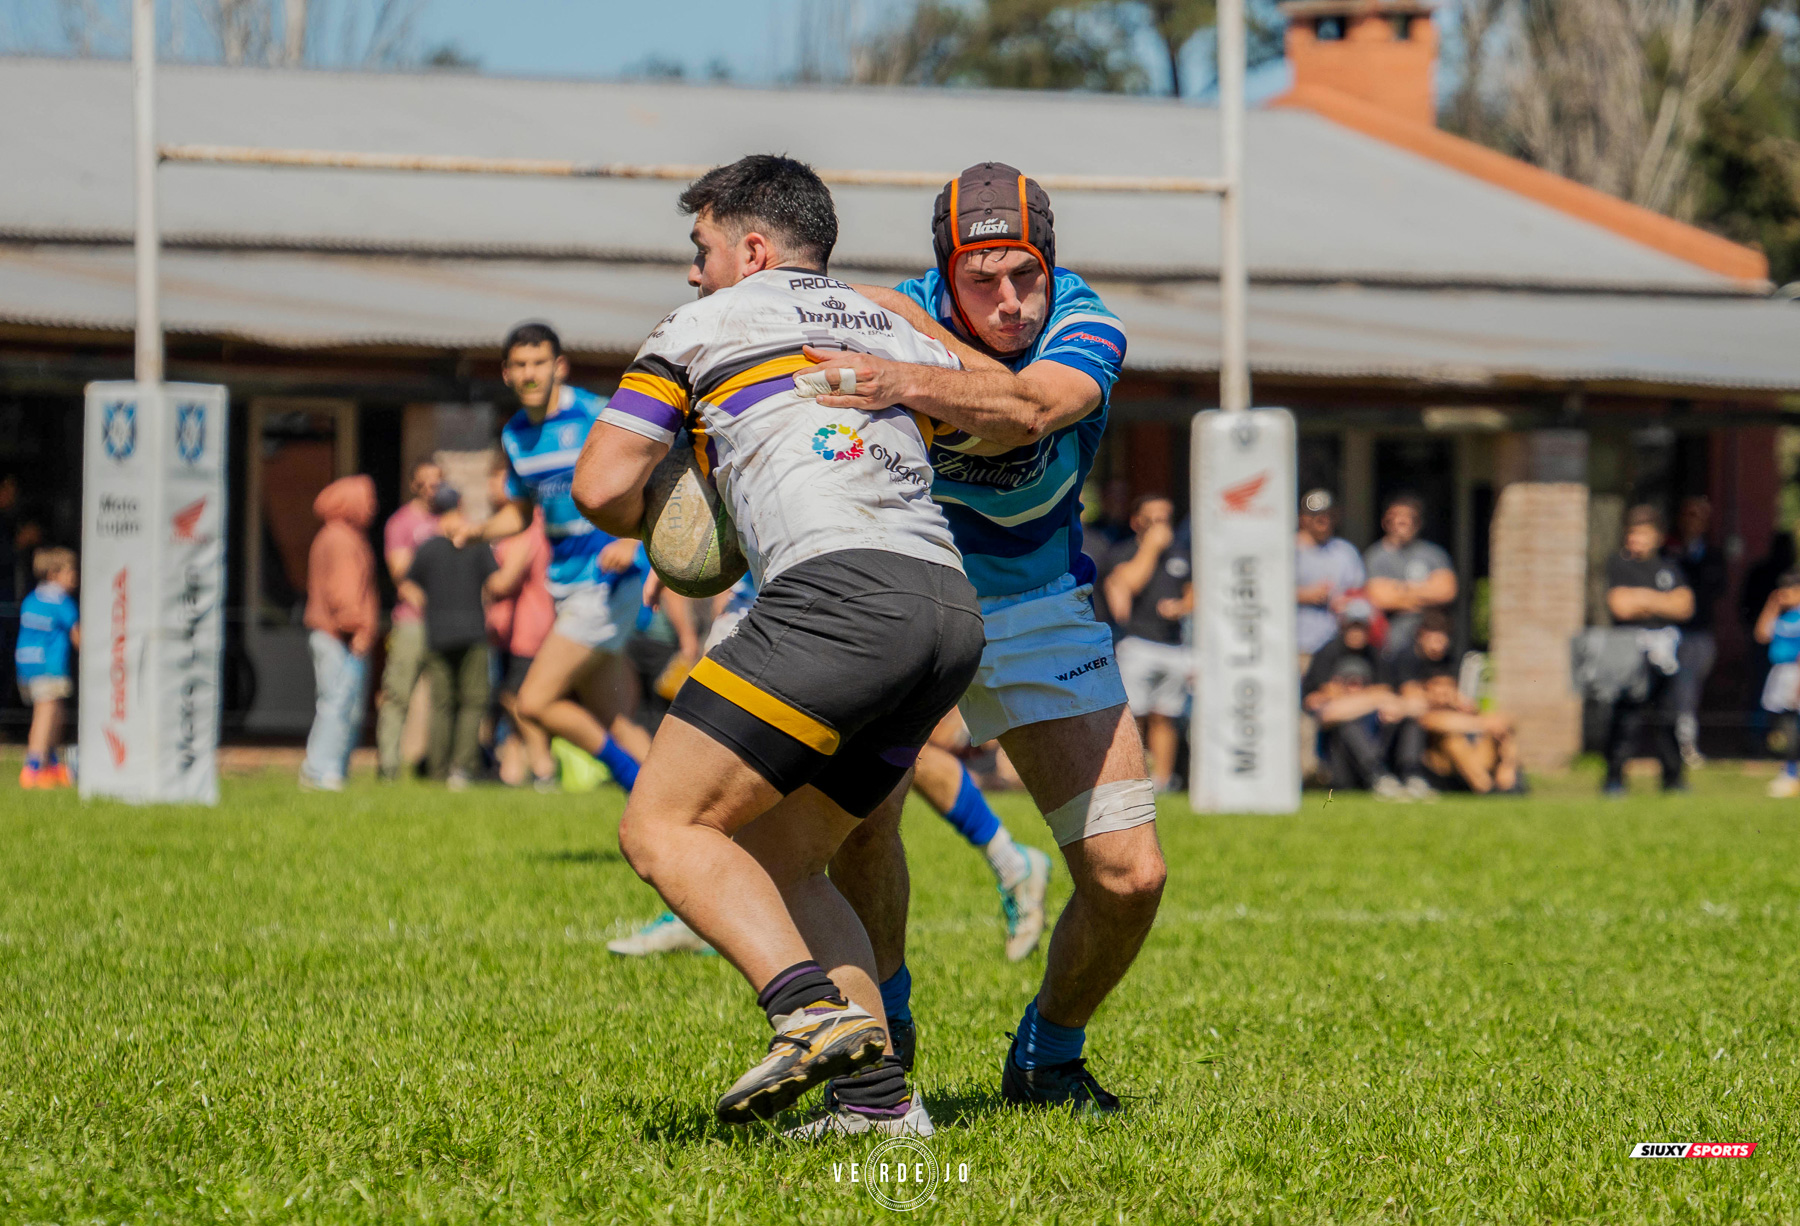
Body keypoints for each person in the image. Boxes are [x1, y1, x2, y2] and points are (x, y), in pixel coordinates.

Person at [573, 154, 985, 1134]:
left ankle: (805, 1011)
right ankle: (879, 1110)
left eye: (701, 248)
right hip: (947, 608)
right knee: (791, 859)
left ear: (751, 248)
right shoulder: (892, 327)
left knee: (661, 827)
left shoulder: (704, 325)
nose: (692, 273)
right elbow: (987, 423)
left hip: (834, 598)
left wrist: (680, 510)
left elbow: (598, 485)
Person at [792, 161, 1166, 1123]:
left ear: (1053, 267)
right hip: (905, 596)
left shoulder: (1087, 323)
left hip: (1040, 602)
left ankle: (1048, 1052)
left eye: (1025, 275)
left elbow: (1033, 409)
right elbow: (807, 306)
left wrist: (896, 377)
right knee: (863, 822)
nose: (1008, 300)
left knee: (1131, 877)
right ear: (942, 274)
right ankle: (891, 1027)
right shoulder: (892, 311)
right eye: (981, 278)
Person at [478, 322, 650, 793]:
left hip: (606, 580)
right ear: (507, 374)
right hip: (566, 582)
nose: (530, 373)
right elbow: (518, 514)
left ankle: (632, 781)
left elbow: (653, 471)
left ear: (559, 367)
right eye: (520, 365)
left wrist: (633, 540)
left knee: (533, 701)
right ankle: (685, 805)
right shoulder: (515, 435)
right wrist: (476, 529)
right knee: (614, 721)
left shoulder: (596, 416)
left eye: (539, 363)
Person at [405, 487, 499, 789]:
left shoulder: (428, 547)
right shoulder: (476, 543)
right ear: (460, 504)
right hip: (472, 631)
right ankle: (462, 769)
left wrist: (427, 603)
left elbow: (407, 585)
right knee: (473, 702)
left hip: (438, 631)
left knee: (441, 703)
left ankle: (437, 769)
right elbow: (495, 584)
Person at [1602, 505, 1693, 797]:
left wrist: (1641, 598)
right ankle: (1614, 779)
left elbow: (1684, 605)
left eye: (1642, 534)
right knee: (1626, 716)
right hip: (1628, 649)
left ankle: (1673, 779)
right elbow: (1620, 605)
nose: (1636, 540)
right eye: (1632, 534)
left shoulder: (1668, 567)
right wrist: (1661, 602)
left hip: (1664, 651)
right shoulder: (1618, 565)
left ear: (1657, 536)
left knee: (1667, 715)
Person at [1104, 494, 1192, 792]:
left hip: (1173, 645)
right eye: (1152, 519)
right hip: (1136, 643)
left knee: (1166, 715)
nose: (1160, 526)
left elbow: (1194, 591)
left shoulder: (1181, 554)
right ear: (1136, 522)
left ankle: (1163, 781)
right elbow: (1128, 584)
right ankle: (1134, 778)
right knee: (1134, 715)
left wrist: (1181, 607)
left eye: (1165, 519)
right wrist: (1152, 548)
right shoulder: (1122, 552)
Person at [300, 477, 379, 792]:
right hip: (338, 636)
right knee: (337, 702)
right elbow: (343, 590)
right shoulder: (341, 539)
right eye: (366, 500)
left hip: (337, 636)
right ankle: (322, 770)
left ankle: (331, 767)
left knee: (345, 703)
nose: (371, 507)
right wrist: (357, 625)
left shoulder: (339, 536)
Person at [1388, 609, 1520, 794]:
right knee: (1453, 741)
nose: (1438, 646)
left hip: (1466, 740)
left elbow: (1502, 720)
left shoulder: (1451, 661)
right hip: (1431, 754)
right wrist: (1480, 723)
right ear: (1421, 636)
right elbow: (1423, 713)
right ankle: (1486, 788)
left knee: (1501, 730)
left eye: (1442, 640)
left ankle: (1508, 783)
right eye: (1433, 639)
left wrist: (1507, 762)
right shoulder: (1407, 661)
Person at [483, 456, 557, 789]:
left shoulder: (529, 523)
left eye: (500, 478)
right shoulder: (510, 524)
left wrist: (474, 580)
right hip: (506, 631)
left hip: (528, 629)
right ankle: (512, 772)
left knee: (515, 698)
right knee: (509, 702)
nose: (492, 487)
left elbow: (506, 581)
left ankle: (543, 765)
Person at [1301, 602, 1414, 799]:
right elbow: (1317, 705)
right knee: (1347, 723)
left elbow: (1388, 693)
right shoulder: (1327, 653)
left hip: (1373, 727)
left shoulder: (1376, 654)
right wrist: (1369, 698)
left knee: (1400, 716)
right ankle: (1377, 773)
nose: (1357, 632)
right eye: (1352, 626)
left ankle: (1410, 774)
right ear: (1343, 626)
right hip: (1333, 740)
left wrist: (1348, 699)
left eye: (1361, 626)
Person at [377, 460, 442, 781]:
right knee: (398, 693)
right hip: (412, 622)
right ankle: (388, 766)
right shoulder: (401, 523)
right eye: (426, 482)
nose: (432, 488)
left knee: (445, 698)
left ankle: (437, 767)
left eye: (438, 482)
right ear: (414, 485)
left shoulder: (452, 521)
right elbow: (401, 575)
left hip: (448, 623)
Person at [1667, 495, 1727, 767]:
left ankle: (1685, 743)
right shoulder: (1669, 552)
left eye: (1700, 516)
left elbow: (1717, 588)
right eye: (1690, 515)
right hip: (1673, 632)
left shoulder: (1713, 554)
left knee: (1692, 690)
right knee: (1680, 691)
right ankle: (1681, 746)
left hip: (1700, 631)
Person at [15, 546, 79, 789]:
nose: (74, 576)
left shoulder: (32, 598)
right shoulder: (61, 601)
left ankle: (50, 765)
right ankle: (33, 767)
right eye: (69, 571)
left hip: (27, 664)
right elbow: (77, 635)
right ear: (53, 573)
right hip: (50, 666)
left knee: (53, 713)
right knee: (47, 714)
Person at [1364, 494, 1456, 659]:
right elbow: (1379, 598)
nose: (1402, 522)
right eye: (1396, 518)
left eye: (1409, 518)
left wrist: (1400, 590)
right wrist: (1425, 592)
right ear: (1385, 522)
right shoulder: (1376, 556)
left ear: (1418, 522)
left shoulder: (1434, 554)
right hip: (1391, 644)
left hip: (1431, 646)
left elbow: (1446, 591)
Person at [1756, 570, 1800, 797]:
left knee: (1793, 726)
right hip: (1780, 673)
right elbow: (1762, 634)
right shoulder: (1782, 616)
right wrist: (1772, 605)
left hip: (1796, 672)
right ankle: (1789, 771)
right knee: (1785, 725)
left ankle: (1793, 773)